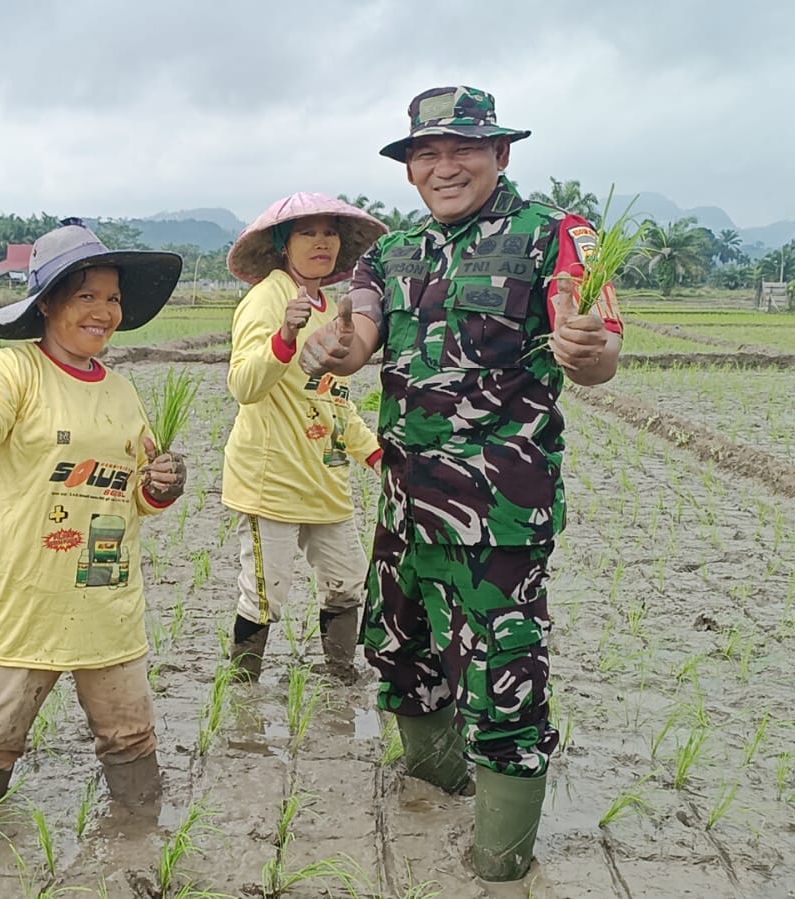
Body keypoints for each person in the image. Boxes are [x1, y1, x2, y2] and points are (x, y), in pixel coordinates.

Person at [299, 86, 623, 884]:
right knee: (403, 653)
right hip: (406, 503)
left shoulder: (551, 236)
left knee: (506, 677)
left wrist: (586, 347)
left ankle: (499, 859)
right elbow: (357, 337)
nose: (443, 167)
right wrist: (330, 350)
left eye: (462, 149)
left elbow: (594, 345)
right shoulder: (390, 253)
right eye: (425, 153)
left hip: (501, 515)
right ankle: (433, 795)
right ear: (409, 168)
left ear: (500, 153)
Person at [0, 221, 187, 810]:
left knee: (129, 735)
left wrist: (162, 486)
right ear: (46, 303)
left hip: (106, 596)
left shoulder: (122, 391)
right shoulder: (13, 371)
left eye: (113, 299)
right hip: (25, 596)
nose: (104, 311)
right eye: (86, 296)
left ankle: (141, 841)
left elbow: (138, 491)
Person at [222, 193, 387, 683]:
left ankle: (339, 675)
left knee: (347, 583)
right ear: (282, 244)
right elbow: (244, 386)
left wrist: (375, 454)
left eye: (330, 232)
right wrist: (283, 340)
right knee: (266, 590)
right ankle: (243, 689)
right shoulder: (268, 298)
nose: (322, 242)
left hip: (325, 476)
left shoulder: (335, 310)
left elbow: (335, 398)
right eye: (307, 233)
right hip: (271, 480)